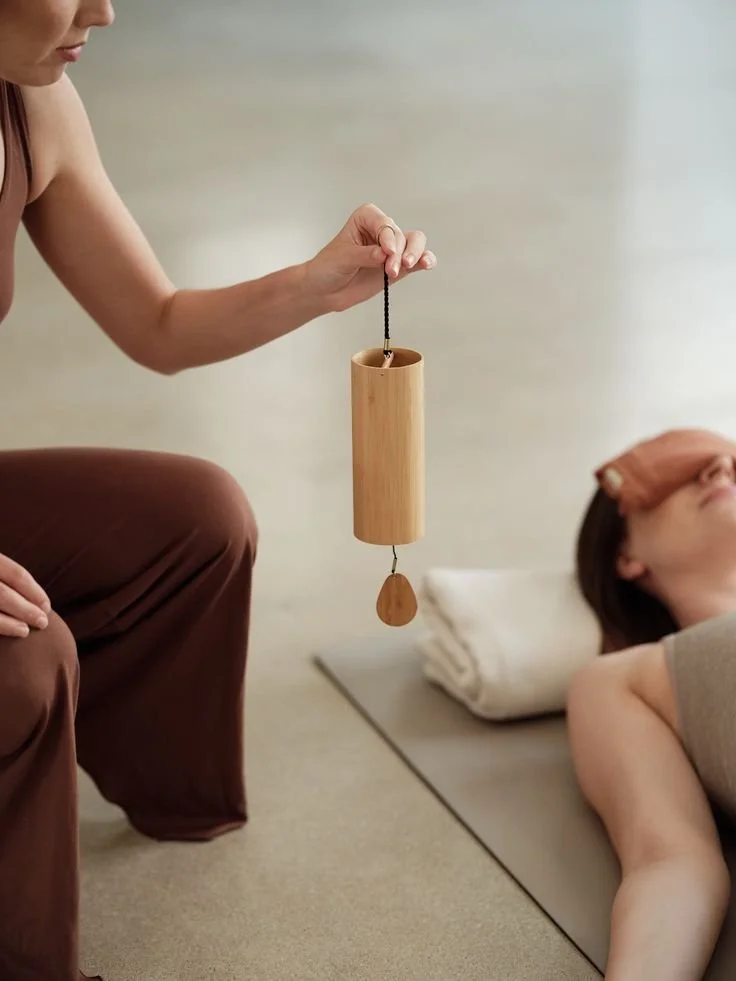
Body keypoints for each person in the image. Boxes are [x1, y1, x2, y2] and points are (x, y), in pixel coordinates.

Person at [0, 3, 437, 980]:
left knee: (199, 518)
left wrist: (319, 283)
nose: (105, 12)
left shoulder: (35, 105)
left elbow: (158, 324)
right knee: (25, 659)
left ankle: (170, 797)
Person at [568, 443, 736, 981]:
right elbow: (673, 865)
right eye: (678, 472)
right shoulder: (627, 679)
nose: (719, 469)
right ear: (625, 555)